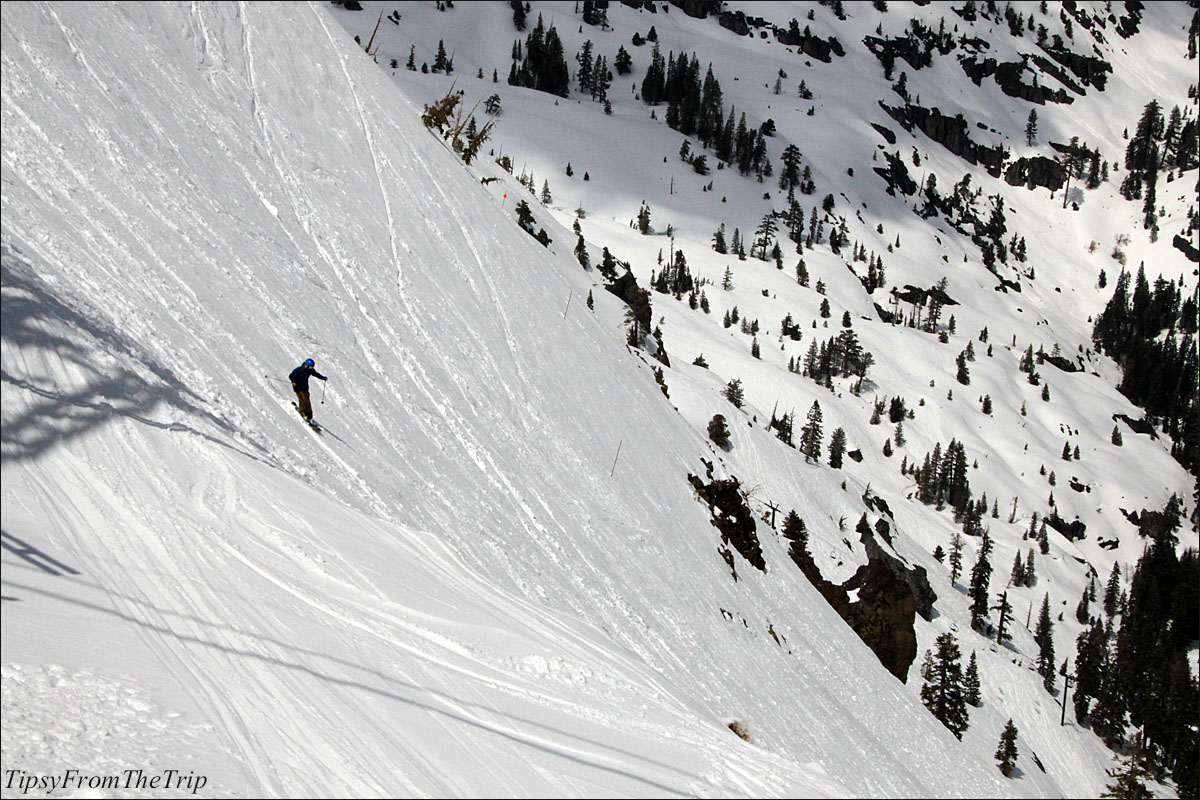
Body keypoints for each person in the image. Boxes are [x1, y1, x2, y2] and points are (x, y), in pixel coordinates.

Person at [289, 358, 327, 423]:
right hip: (298, 387)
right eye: (310, 367)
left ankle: (309, 415)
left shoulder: (310, 370)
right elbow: (291, 375)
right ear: (306, 365)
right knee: (302, 399)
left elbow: (316, 374)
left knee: (307, 400)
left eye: (312, 367)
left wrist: (323, 378)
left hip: (305, 387)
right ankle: (302, 412)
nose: (311, 368)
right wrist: (294, 381)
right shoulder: (299, 370)